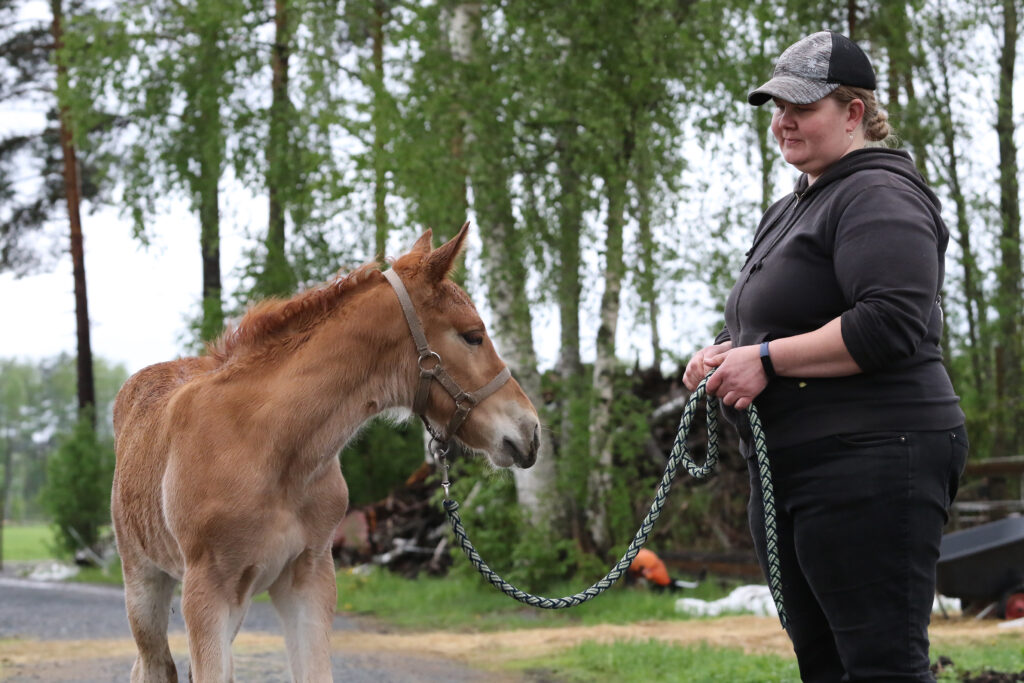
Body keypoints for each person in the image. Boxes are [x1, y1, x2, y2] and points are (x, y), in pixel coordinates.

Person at [683, 30, 968, 682]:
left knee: (881, 667)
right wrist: (723, 355)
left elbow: (890, 322)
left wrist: (768, 360)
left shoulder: (878, 193)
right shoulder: (797, 203)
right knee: (826, 666)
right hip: (796, 466)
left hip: (873, 456)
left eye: (801, 106)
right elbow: (777, 325)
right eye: (776, 106)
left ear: (853, 112)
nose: (783, 121)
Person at [626, 548, 700, 592]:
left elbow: (649, 574)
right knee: (665, 583)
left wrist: (647, 575)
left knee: (666, 582)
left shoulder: (645, 561)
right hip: (652, 568)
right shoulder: (641, 560)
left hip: (655, 570)